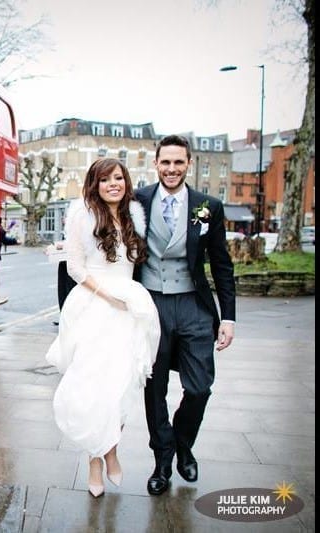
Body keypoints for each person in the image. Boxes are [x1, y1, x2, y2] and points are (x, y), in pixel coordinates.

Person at [45, 158, 160, 498]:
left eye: (120, 178)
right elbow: (76, 268)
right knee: (95, 388)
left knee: (122, 387)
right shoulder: (82, 214)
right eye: (107, 179)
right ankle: (99, 460)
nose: (114, 184)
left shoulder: (134, 215)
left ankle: (110, 450)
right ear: (95, 183)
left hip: (131, 308)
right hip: (95, 305)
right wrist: (108, 296)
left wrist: (125, 301)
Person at [135, 135, 236, 496]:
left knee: (199, 388)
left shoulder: (208, 206)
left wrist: (228, 317)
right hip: (150, 304)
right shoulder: (138, 200)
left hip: (193, 304)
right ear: (156, 163)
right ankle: (162, 460)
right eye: (166, 162)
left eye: (179, 163)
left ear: (188, 164)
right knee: (155, 387)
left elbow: (222, 264)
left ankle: (183, 444)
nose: (172, 169)